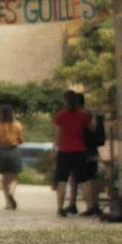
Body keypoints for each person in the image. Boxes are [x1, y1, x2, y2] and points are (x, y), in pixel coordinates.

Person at [52, 90, 93, 218]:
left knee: (62, 180)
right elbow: (92, 128)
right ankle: (90, 206)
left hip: (64, 151)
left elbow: (58, 137)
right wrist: (94, 116)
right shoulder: (83, 115)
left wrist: (55, 149)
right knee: (84, 180)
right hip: (79, 150)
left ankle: (60, 208)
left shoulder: (60, 116)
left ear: (65, 101)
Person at [0, 104, 24, 210]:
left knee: (4, 179)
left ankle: (7, 203)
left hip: (1, 152)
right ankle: (11, 193)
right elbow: (21, 140)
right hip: (13, 151)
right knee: (14, 177)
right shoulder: (17, 125)